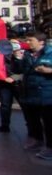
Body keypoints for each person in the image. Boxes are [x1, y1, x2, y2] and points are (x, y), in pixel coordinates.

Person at [17, 32, 52, 160]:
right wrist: (17, 59)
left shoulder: (50, 53)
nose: (28, 43)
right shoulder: (27, 54)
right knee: (33, 120)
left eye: (31, 40)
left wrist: (50, 71)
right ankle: (37, 141)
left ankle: (50, 147)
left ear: (41, 42)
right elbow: (19, 70)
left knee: (48, 122)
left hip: (47, 95)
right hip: (30, 93)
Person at [0, 41, 25, 132]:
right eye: (10, 43)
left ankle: (33, 126)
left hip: (18, 84)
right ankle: (5, 125)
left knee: (25, 105)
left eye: (15, 43)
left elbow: (25, 70)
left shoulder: (23, 54)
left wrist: (18, 57)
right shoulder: (0, 54)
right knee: (5, 104)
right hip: (3, 83)